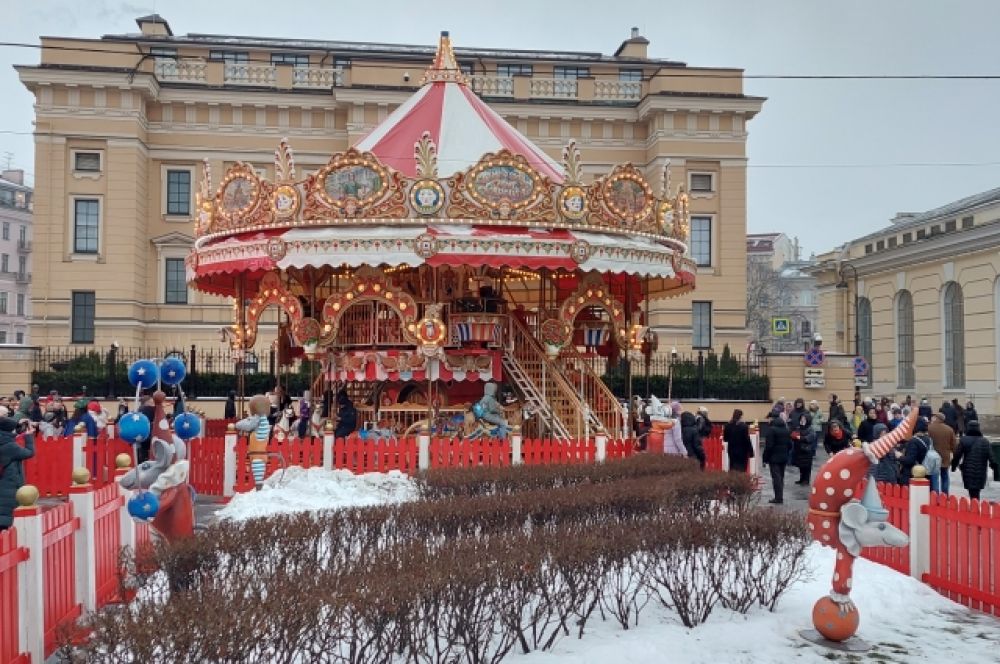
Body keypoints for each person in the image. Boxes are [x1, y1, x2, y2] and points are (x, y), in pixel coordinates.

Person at [0, 417, 36, 531]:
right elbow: (29, 452)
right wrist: (28, 436)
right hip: (8, 484)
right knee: (5, 515)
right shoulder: (10, 446)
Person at [952, 420, 992, 500]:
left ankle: (974, 507)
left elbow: (957, 455)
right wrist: (996, 471)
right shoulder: (985, 441)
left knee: (972, 491)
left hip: (968, 469)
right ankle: (976, 506)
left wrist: (954, 466)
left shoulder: (964, 440)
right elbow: (991, 457)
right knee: (977, 490)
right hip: (981, 470)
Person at [762, 414, 791, 504]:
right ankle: (779, 496)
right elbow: (790, 444)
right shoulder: (786, 429)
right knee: (781, 477)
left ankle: (778, 498)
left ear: (772, 419)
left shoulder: (771, 430)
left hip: (774, 458)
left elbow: (769, 446)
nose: (768, 421)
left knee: (776, 478)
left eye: (769, 419)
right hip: (784, 457)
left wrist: (765, 458)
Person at [928, 413, 957, 494]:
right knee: (945, 476)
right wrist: (955, 457)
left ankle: (935, 495)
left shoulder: (929, 428)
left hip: (933, 456)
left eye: (933, 417)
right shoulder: (949, 429)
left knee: (934, 477)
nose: (932, 418)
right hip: (945, 457)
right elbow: (954, 445)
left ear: (936, 418)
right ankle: (945, 494)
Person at [899, 417, 931, 485]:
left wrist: (899, 457)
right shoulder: (928, 439)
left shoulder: (914, 441)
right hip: (923, 472)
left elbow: (910, 460)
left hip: (912, 473)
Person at [788, 398, 813, 484]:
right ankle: (802, 478)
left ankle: (806, 479)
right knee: (800, 464)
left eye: (800, 403)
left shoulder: (810, 428)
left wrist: (800, 438)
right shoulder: (793, 414)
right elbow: (790, 423)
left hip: (806, 449)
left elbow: (810, 437)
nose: (798, 404)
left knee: (806, 465)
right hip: (799, 447)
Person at [137, 396, 156, 465]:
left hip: (141, 434)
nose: (153, 404)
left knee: (142, 451)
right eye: (152, 402)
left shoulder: (140, 409)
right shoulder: (148, 409)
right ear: (146, 403)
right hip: (148, 434)